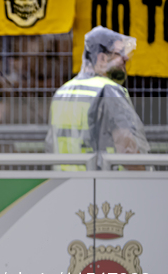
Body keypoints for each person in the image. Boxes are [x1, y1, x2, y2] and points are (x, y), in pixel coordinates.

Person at [46, 26, 150, 170]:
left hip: (65, 184)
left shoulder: (62, 93)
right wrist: (144, 178)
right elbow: (126, 148)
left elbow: (52, 145)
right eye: (119, 53)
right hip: (103, 186)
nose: (125, 58)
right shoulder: (108, 90)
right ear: (101, 58)